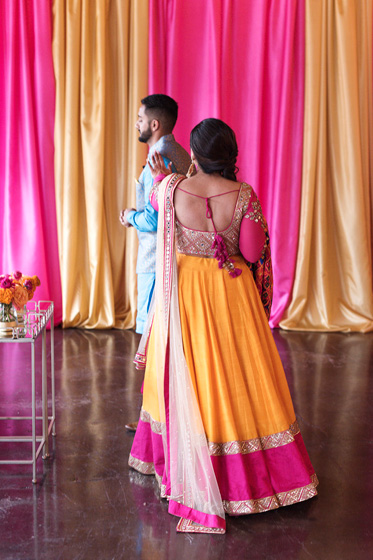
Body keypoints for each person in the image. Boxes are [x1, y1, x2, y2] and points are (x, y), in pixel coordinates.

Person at [129, 118, 318, 534]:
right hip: (231, 299)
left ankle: (185, 459)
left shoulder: (171, 189)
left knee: (188, 373)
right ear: (231, 154)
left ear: (194, 153)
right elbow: (251, 254)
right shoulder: (244, 196)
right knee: (236, 377)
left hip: (182, 301)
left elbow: (157, 211)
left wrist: (164, 177)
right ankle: (244, 473)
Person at [120, 94, 190, 335]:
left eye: (140, 119)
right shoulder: (180, 152)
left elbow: (152, 219)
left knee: (151, 335)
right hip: (180, 255)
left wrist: (129, 216)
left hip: (155, 258)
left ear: (154, 124)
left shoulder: (156, 159)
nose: (137, 124)